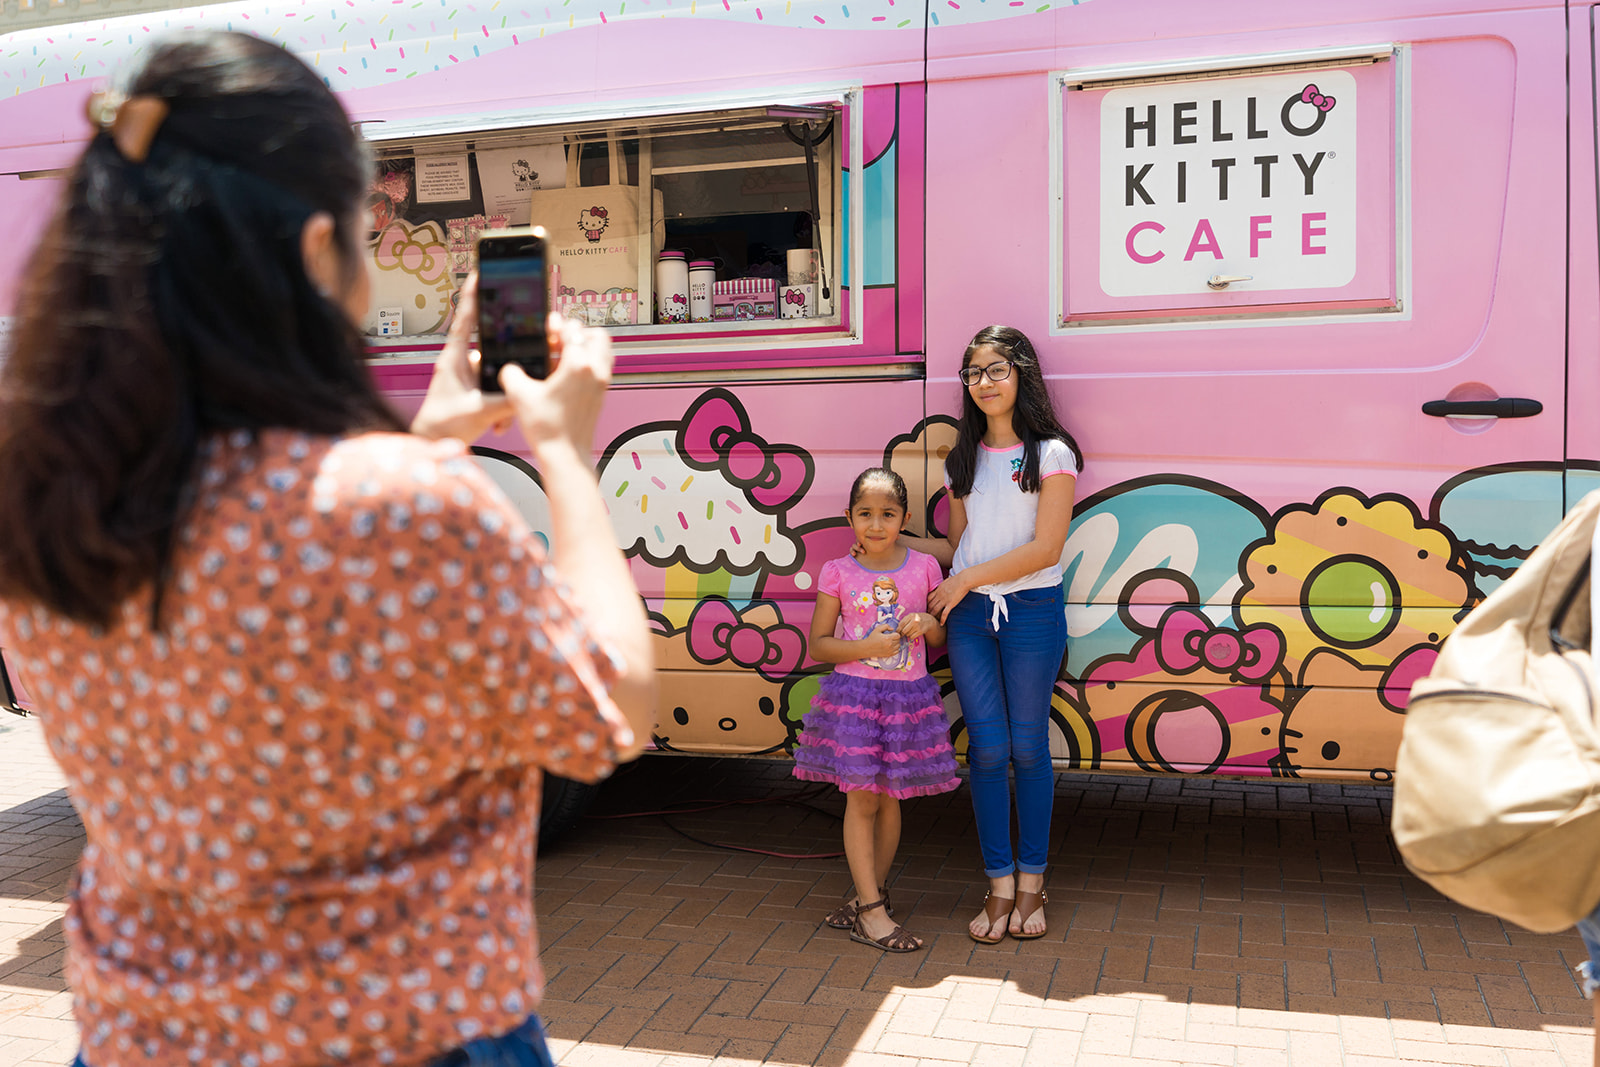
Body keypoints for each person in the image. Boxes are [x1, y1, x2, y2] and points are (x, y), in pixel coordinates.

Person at [0, 31, 654, 1067]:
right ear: (315, 251)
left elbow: (264, 559)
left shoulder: (45, 509)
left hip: (147, 1035)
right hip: (406, 1033)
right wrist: (564, 453)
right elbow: (607, 710)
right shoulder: (407, 512)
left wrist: (428, 435)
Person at [897, 325, 1080, 944]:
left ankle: (1034, 883)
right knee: (986, 749)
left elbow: (1046, 547)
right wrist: (889, 545)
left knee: (1029, 747)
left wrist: (965, 577)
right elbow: (956, 545)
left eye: (997, 369)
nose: (984, 383)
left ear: (1021, 373)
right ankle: (999, 884)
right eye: (973, 372)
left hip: (1031, 611)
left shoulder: (1052, 454)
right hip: (971, 616)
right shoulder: (963, 459)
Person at [792, 468, 960, 952]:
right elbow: (820, 645)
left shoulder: (925, 567)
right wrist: (864, 644)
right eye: (865, 514)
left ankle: (871, 897)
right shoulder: (838, 572)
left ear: (904, 519)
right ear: (850, 517)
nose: (876, 524)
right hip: (857, 700)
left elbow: (940, 640)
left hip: (906, 701)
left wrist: (929, 621)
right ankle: (871, 912)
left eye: (887, 515)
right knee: (862, 799)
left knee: (891, 800)